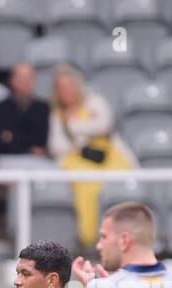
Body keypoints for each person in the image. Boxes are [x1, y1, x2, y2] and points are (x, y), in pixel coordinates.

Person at [48, 63, 136, 250]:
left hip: (108, 156)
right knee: (87, 185)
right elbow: (57, 146)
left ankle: (127, 238)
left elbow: (103, 124)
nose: (67, 91)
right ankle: (91, 239)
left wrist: (73, 127)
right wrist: (86, 128)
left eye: (70, 86)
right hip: (77, 162)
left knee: (124, 183)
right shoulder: (56, 115)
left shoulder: (95, 101)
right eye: (61, 88)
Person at [0, 62, 49, 159]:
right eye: (21, 78)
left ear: (34, 79)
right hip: (6, 161)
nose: (25, 82)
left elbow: (42, 141)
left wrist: (12, 137)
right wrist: (30, 147)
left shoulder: (43, 108)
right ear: (12, 80)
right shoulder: (0, 108)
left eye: (28, 78)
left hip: (37, 162)